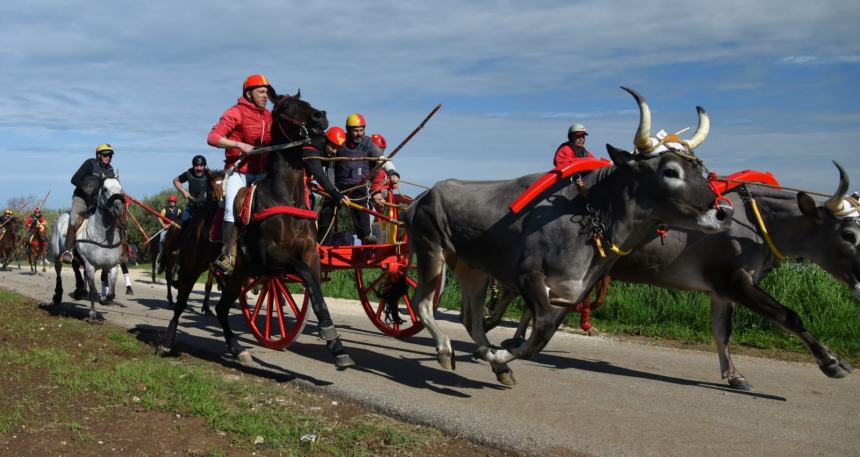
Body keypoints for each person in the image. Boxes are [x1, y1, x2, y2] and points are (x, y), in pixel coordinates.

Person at [208, 74, 275, 273]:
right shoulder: (235, 112)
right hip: (239, 172)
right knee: (230, 209)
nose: (265, 96)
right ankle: (227, 254)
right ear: (249, 93)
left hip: (262, 174)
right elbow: (212, 137)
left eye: (267, 93)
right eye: (261, 92)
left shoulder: (269, 116)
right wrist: (238, 144)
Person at [334, 114, 400, 244]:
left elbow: (382, 159)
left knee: (362, 209)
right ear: (348, 130)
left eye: (361, 130)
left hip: (359, 186)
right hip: (338, 186)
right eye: (355, 130)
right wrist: (331, 187)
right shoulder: (340, 141)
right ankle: (323, 238)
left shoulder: (368, 143)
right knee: (328, 208)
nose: (359, 134)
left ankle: (365, 237)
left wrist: (392, 173)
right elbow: (330, 163)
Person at [62, 144, 116, 263]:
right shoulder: (90, 163)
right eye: (105, 155)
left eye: (110, 155)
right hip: (81, 198)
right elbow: (74, 179)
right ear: (98, 155)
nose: (108, 157)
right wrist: (87, 189)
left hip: (96, 201)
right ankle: (68, 251)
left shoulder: (110, 170)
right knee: (74, 221)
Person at [313, 127, 351, 244]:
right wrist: (335, 194)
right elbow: (320, 176)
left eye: (338, 148)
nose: (334, 151)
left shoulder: (331, 155)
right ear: (325, 140)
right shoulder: (313, 149)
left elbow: (329, 173)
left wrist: (334, 192)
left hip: (330, 187)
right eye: (333, 147)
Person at [173, 155, 213, 225]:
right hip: (192, 206)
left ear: (204, 166)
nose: (199, 168)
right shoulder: (188, 174)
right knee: (182, 221)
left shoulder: (209, 174)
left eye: (201, 166)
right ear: (193, 166)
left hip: (207, 207)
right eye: (196, 166)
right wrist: (184, 192)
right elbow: (176, 181)